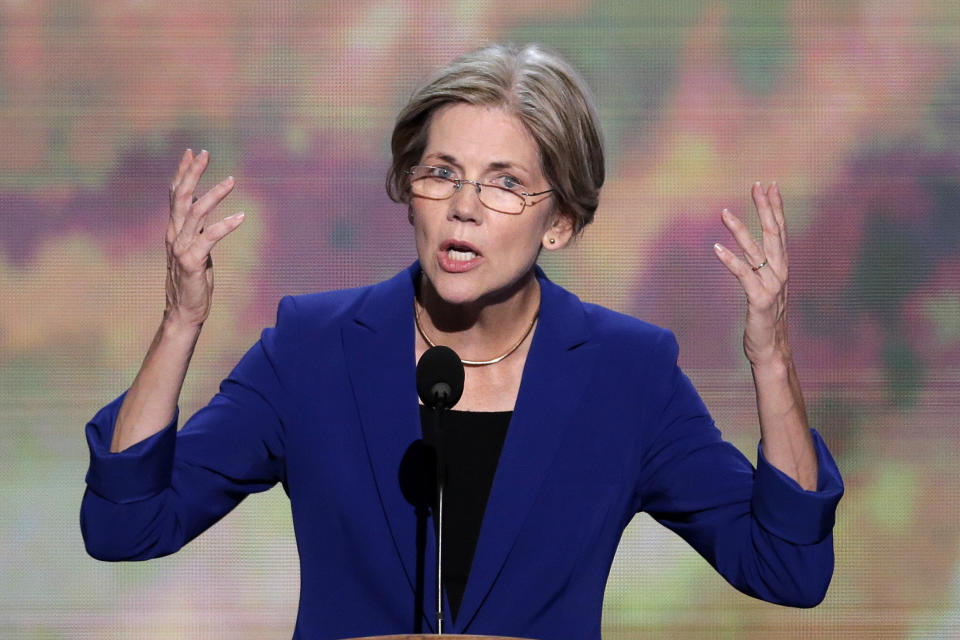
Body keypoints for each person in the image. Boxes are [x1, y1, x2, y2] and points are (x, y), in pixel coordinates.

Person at [81, 43, 843, 640]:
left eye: (505, 182)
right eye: (442, 173)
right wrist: (181, 320)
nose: (464, 208)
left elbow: (786, 569)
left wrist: (771, 359)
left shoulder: (626, 375)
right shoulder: (311, 351)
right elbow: (126, 526)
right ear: (408, 190)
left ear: (561, 222)